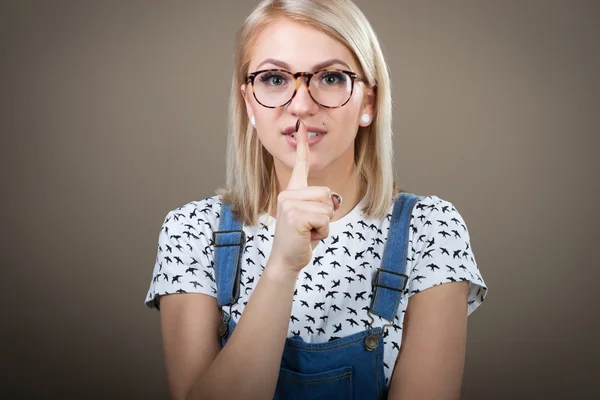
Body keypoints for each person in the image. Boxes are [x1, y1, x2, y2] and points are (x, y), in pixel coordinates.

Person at [144, 1, 488, 399]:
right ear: (248, 103)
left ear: (368, 103)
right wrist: (281, 267)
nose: (302, 105)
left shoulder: (431, 230)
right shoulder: (191, 231)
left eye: (330, 77)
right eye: (274, 79)